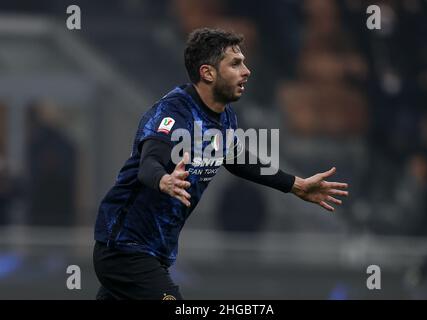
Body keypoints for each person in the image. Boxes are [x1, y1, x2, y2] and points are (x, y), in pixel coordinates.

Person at [93, 28, 349, 300]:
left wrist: (294, 185)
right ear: (208, 73)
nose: (247, 71)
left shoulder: (224, 118)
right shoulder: (174, 113)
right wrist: (163, 180)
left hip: (154, 253)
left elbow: (237, 159)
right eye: (236, 64)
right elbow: (149, 162)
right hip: (123, 248)